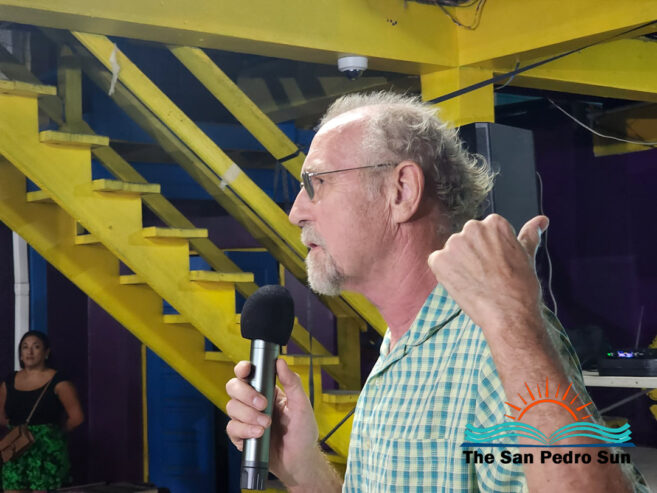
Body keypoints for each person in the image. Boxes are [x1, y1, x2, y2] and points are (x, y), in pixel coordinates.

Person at [225, 92, 647, 491]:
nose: (296, 212)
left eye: (317, 181)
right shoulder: (399, 349)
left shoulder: (494, 344)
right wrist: (304, 471)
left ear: (401, 191)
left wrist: (514, 326)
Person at [0, 330, 84, 493]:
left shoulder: (59, 381)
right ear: (20, 354)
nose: (29, 351)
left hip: (47, 452)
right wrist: (14, 428)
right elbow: (0, 415)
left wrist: (53, 433)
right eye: (25, 347)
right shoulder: (9, 381)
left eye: (36, 347)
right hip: (16, 449)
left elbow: (77, 417)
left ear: (46, 353)